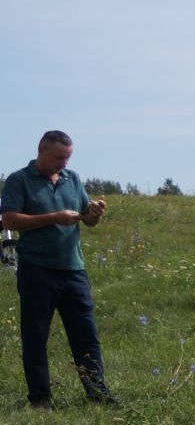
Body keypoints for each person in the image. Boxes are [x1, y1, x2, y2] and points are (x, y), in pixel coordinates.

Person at [2, 130, 112, 407]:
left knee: (86, 334)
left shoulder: (72, 179)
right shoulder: (19, 180)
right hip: (37, 268)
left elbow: (86, 220)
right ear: (41, 151)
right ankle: (40, 398)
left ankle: (97, 393)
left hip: (73, 268)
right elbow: (9, 221)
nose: (64, 163)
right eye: (59, 157)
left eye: (68, 158)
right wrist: (55, 217)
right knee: (36, 334)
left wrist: (93, 214)